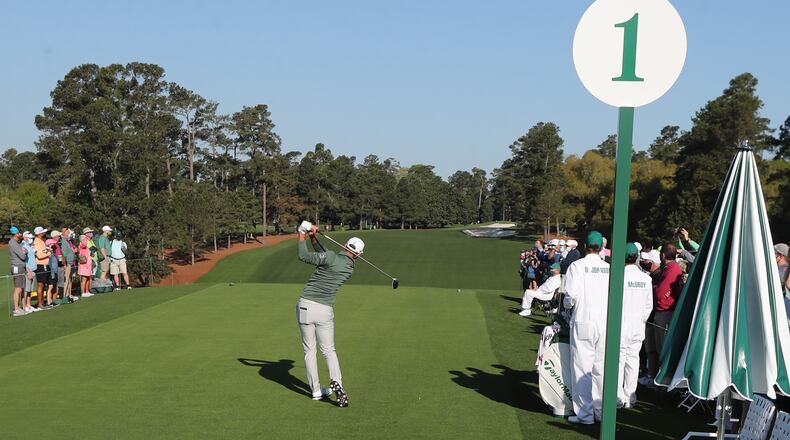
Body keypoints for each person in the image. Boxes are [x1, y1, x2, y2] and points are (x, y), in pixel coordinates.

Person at [295, 221, 361, 407]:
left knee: (309, 350)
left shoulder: (331, 257)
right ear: (358, 255)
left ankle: (315, 390)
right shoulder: (349, 268)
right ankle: (337, 383)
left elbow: (304, 255)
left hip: (306, 306)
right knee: (328, 351)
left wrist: (302, 234)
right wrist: (314, 236)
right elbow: (326, 256)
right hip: (324, 311)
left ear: (345, 245)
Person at [564, 231, 610, 424]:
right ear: (600, 247)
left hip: (584, 318)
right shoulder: (609, 268)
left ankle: (585, 414)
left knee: (582, 367)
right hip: (605, 322)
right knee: (600, 367)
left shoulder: (577, 265)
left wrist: (566, 306)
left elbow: (570, 295)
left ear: (585, 246)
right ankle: (600, 411)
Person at [618, 243, 654, 408]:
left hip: (621, 324)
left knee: (619, 361)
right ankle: (630, 397)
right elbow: (649, 306)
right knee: (633, 361)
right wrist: (640, 320)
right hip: (637, 326)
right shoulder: (646, 279)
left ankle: (618, 396)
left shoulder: (619, 276)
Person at [642, 243, 684, 384]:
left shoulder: (671, 269)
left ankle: (663, 381)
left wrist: (657, 291)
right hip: (661, 312)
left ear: (663, 256)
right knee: (655, 348)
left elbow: (661, 294)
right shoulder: (669, 269)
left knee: (662, 349)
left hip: (665, 313)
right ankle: (656, 378)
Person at [8, 226, 28, 316]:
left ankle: (18, 307)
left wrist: (24, 251)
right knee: (18, 288)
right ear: (16, 234)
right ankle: (16, 309)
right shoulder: (13, 243)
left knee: (20, 287)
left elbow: (24, 251)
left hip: (20, 266)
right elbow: (23, 256)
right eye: (20, 233)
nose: (21, 234)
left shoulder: (16, 242)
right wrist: (24, 252)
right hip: (17, 267)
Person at [33, 226, 53, 308]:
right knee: (40, 285)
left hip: (45, 265)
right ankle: (40, 304)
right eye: (42, 232)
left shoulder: (40, 241)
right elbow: (40, 255)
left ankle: (42, 303)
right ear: (39, 233)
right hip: (41, 265)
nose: (44, 233)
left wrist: (48, 250)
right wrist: (49, 253)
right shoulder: (37, 242)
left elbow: (43, 252)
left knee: (43, 285)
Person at [22, 231, 39, 312]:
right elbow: (23, 261)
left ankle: (29, 305)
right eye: (30, 238)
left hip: (33, 270)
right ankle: (24, 306)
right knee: (26, 290)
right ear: (25, 237)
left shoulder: (29, 246)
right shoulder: (23, 246)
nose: (31, 239)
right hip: (28, 271)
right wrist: (28, 271)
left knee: (30, 290)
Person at [61, 227, 77, 301]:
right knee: (66, 280)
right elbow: (64, 252)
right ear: (64, 233)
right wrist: (64, 264)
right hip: (67, 264)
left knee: (69, 280)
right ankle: (65, 296)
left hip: (69, 263)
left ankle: (67, 295)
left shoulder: (67, 241)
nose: (69, 234)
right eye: (67, 232)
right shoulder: (63, 241)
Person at [78, 229, 95, 297]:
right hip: (84, 264)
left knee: (88, 277)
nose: (91, 233)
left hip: (89, 263)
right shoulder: (82, 243)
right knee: (84, 278)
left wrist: (92, 254)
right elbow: (83, 245)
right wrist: (86, 238)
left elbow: (91, 251)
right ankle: (83, 292)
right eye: (89, 232)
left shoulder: (88, 242)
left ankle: (87, 291)